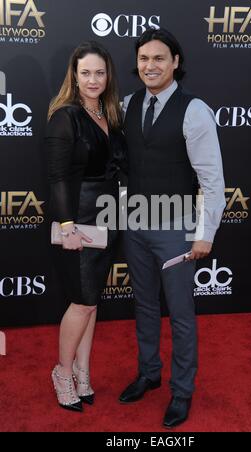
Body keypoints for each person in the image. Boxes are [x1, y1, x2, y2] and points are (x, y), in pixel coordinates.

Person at [119, 28, 226, 428]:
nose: (150, 65)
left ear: (175, 62)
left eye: (159, 58)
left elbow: (212, 179)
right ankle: (149, 373)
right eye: (144, 58)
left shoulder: (194, 110)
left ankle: (181, 391)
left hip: (177, 229)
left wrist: (205, 233)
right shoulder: (127, 104)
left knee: (180, 313)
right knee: (145, 306)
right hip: (135, 226)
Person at [45, 41, 125, 412]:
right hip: (77, 220)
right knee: (81, 302)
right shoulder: (66, 116)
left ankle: (83, 370)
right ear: (74, 76)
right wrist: (67, 227)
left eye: (100, 72)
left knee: (92, 303)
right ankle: (63, 372)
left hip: (108, 219)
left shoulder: (110, 114)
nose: (93, 79)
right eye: (86, 72)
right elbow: (58, 177)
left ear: (108, 76)